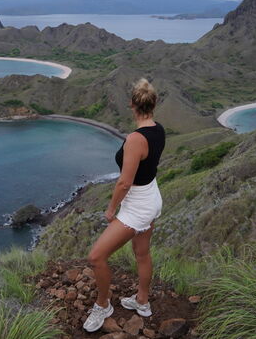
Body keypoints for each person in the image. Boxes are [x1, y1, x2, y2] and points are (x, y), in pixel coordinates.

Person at [83, 78, 166, 333]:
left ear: (131, 104)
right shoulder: (159, 129)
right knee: (142, 253)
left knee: (96, 257)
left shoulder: (135, 139)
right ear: (154, 104)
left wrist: (111, 210)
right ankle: (141, 301)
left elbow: (124, 182)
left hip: (137, 205)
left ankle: (103, 304)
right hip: (152, 197)